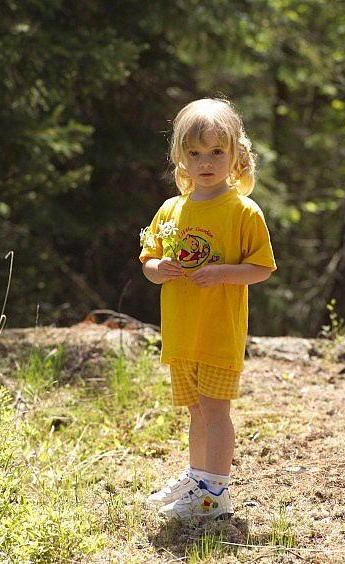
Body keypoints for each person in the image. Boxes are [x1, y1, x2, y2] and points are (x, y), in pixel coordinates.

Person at [139, 97, 276, 521]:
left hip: (218, 332)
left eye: (217, 152)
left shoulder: (242, 211)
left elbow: (261, 268)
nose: (206, 162)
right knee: (196, 410)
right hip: (181, 332)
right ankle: (198, 477)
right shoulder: (171, 209)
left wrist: (221, 273)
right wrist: (159, 268)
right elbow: (149, 263)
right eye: (195, 153)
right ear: (180, 156)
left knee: (215, 410)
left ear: (236, 154)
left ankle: (214, 493)